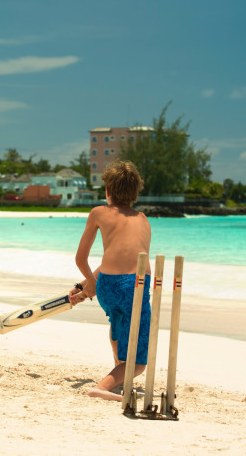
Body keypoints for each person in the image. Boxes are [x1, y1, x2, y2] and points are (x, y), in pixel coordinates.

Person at [69, 160, 152, 401]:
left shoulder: (98, 213)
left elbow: (83, 259)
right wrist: (88, 284)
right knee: (138, 363)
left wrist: (87, 284)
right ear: (136, 193)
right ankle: (103, 386)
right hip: (135, 287)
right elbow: (131, 260)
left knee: (116, 321)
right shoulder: (143, 219)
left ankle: (118, 373)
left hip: (106, 285)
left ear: (107, 191)